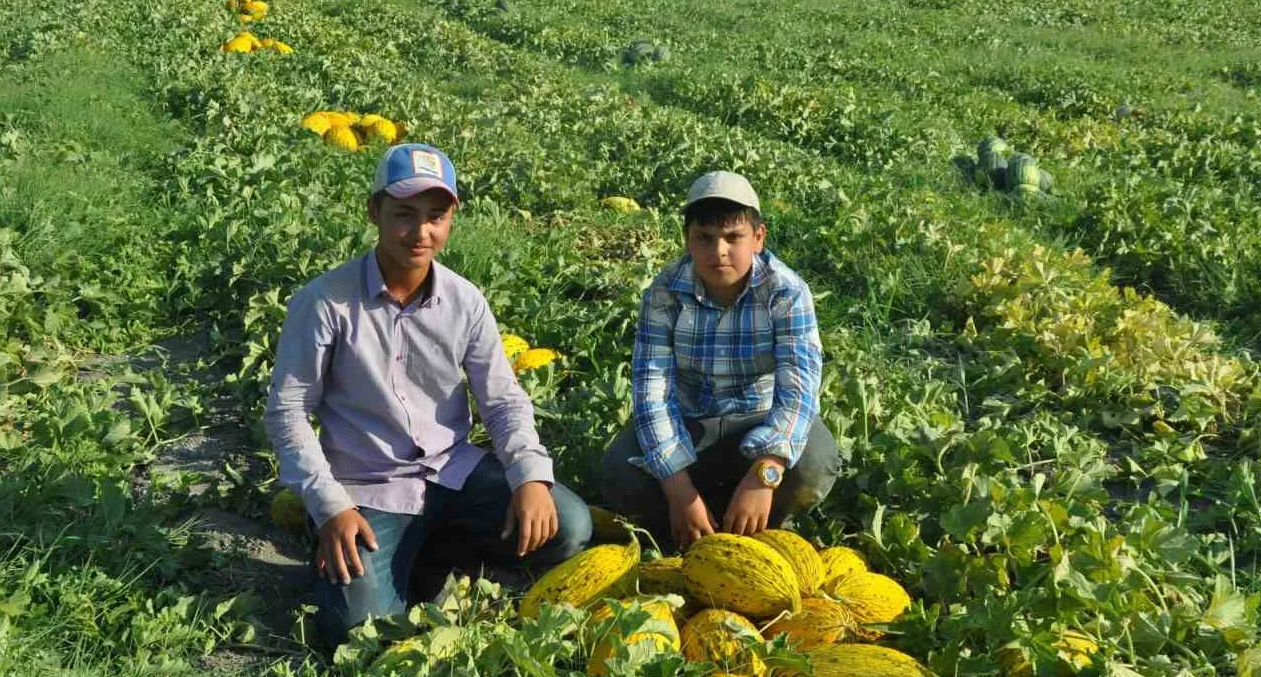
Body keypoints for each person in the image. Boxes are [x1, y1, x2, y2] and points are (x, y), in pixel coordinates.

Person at [265, 143, 593, 647]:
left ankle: (432, 549)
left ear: (452, 217)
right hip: (368, 487)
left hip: (452, 472)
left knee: (568, 524)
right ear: (374, 211)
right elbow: (288, 412)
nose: (421, 232)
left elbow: (502, 400)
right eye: (404, 215)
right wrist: (330, 506)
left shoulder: (464, 301)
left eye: (436, 216)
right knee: (362, 635)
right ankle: (374, 553)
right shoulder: (324, 302)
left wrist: (529, 475)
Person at [599, 171, 839, 550]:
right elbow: (652, 395)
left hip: (759, 419)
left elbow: (799, 391)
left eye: (733, 237)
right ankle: (690, 522)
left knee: (815, 461)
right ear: (687, 240)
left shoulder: (787, 292)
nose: (719, 251)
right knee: (619, 471)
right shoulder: (664, 293)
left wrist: (765, 473)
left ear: (758, 238)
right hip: (692, 423)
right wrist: (679, 492)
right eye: (704, 239)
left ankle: (760, 523)